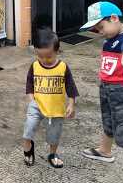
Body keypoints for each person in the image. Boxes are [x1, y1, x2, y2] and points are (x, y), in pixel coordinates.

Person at [80, 2, 123, 183]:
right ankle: (105, 151)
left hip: (122, 91)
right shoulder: (109, 38)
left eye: (100, 27)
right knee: (108, 121)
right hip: (106, 88)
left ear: (114, 18)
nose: (100, 32)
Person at [23, 28, 78, 168]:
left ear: (57, 51)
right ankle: (28, 148)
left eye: (48, 56)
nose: (44, 60)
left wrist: (71, 104)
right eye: (40, 56)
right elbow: (29, 83)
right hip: (36, 105)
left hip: (56, 108)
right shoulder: (35, 66)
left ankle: (52, 154)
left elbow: (70, 86)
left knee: (54, 135)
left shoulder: (63, 67)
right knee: (28, 129)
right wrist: (31, 100)